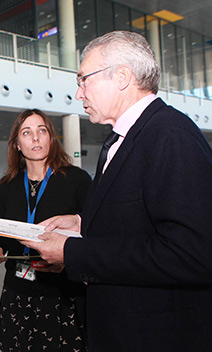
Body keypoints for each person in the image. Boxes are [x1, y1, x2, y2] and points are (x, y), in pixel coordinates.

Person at [23, 31, 212, 352]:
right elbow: (142, 216)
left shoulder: (170, 136)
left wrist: (72, 252)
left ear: (122, 76)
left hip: (154, 334)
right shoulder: (119, 140)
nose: (78, 93)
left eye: (84, 80)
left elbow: (191, 254)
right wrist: (83, 223)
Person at [0, 109, 91, 351]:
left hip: (62, 294)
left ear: (50, 139)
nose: (35, 138)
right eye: (27, 132)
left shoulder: (77, 180)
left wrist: (69, 259)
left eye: (41, 130)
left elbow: (93, 233)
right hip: (18, 292)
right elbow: (0, 235)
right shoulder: (7, 187)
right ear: (17, 145)